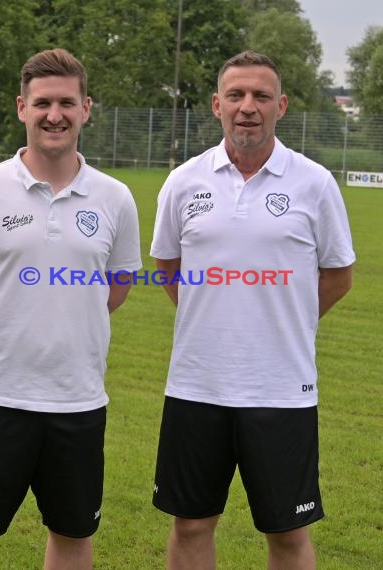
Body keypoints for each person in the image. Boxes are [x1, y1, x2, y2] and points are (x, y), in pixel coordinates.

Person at [150, 51, 355, 570]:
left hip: (281, 389)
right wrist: (216, 314)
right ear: (217, 105)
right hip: (196, 385)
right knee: (191, 523)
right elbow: (169, 267)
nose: (248, 107)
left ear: (281, 106)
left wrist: (282, 322)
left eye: (261, 96)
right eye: (236, 96)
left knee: (287, 532)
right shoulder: (184, 181)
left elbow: (337, 276)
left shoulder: (314, 183)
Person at [0, 48, 141, 570]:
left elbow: (118, 285)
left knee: (73, 537)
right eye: (44, 102)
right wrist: (1, 325)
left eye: (67, 103)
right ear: (22, 108)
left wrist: (70, 321)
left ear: (87, 108)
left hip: (77, 401)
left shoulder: (116, 198)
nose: (56, 114)